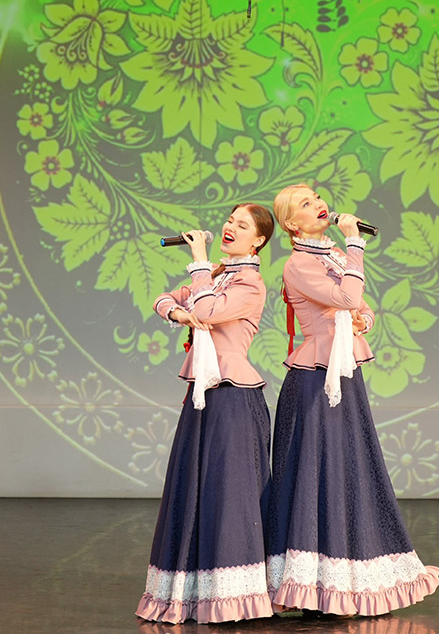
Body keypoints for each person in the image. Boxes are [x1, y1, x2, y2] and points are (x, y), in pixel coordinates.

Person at [266, 184, 439, 616]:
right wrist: (355, 243)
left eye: (316, 198)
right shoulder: (298, 264)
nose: (318, 204)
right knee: (316, 474)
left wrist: (363, 319)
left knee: (348, 469)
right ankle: (310, 586)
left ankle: (342, 581)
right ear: (291, 224)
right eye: (305, 204)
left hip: (344, 373)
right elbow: (347, 296)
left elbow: (359, 306)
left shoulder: (330, 257)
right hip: (316, 379)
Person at [136, 203, 277, 624]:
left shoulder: (250, 283)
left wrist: (199, 262)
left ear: (259, 240)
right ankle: (192, 592)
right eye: (230, 220)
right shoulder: (217, 275)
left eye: (242, 225)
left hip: (233, 398)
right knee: (194, 489)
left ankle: (233, 598)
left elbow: (209, 312)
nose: (230, 227)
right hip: (203, 396)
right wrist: (177, 311)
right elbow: (165, 299)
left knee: (228, 495)